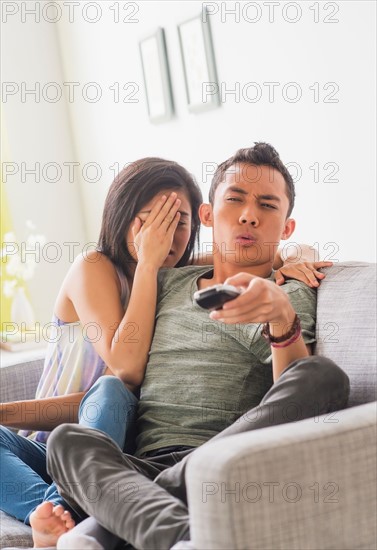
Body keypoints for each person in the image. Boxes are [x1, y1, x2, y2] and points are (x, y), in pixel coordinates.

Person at [0, 154, 325, 540]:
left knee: (321, 377)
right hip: (102, 451)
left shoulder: (272, 292)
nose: (161, 234)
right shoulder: (137, 277)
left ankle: (74, 523)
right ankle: (61, 513)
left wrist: (290, 271)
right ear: (210, 214)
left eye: (174, 222)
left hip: (172, 453)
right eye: (150, 220)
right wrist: (150, 267)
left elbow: (292, 394)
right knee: (86, 423)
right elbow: (125, 373)